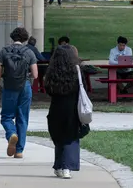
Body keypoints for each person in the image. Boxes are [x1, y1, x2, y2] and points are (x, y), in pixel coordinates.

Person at [0, 27, 38, 159]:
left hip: (9, 87)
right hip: (25, 86)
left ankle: (12, 133)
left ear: (12, 37)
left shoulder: (4, 51)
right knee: (22, 118)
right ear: (24, 39)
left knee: (6, 117)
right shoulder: (29, 52)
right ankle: (19, 151)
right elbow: (35, 74)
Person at [44, 45, 84, 179]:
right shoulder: (76, 70)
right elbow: (82, 88)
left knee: (59, 138)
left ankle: (59, 166)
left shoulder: (51, 72)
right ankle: (67, 167)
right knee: (70, 138)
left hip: (55, 108)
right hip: (72, 108)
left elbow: (48, 89)